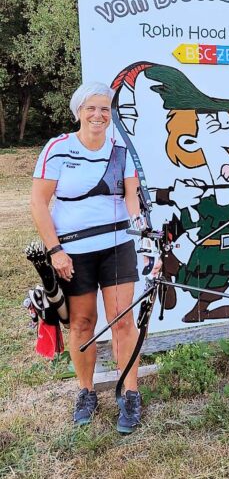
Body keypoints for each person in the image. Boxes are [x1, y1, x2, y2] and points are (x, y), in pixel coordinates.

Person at [31, 82, 142, 433]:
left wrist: (142, 230)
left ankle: (130, 393)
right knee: (82, 323)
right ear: (78, 111)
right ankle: (86, 392)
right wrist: (55, 251)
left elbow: (132, 198)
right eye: (91, 108)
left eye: (105, 109)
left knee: (122, 321)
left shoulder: (121, 150)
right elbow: (38, 203)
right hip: (73, 252)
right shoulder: (58, 148)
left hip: (117, 246)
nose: (98, 115)